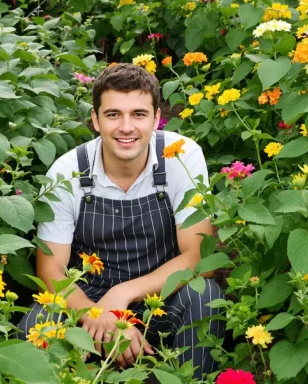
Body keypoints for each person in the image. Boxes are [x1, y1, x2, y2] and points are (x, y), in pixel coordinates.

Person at [17, 63, 225, 377]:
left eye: (138, 114)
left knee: (204, 295)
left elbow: (201, 259)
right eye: (113, 114)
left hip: (161, 299)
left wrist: (123, 294)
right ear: (95, 120)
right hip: (88, 303)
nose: (126, 127)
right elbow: (51, 269)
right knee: (35, 328)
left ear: (156, 119)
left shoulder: (180, 156)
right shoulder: (67, 172)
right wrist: (101, 314)